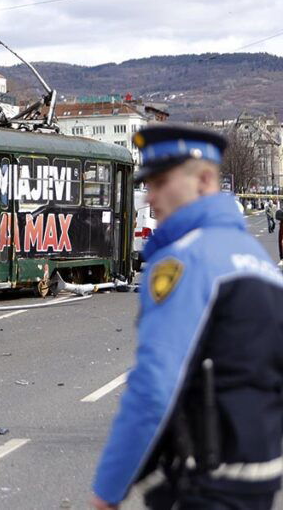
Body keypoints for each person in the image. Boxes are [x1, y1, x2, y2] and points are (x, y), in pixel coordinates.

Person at [91, 125, 283, 509]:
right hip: (259, 475)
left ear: (206, 181)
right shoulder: (257, 259)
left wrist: (108, 491)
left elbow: (153, 388)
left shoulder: (184, 261)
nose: (150, 195)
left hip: (206, 480)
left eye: (162, 182)